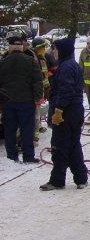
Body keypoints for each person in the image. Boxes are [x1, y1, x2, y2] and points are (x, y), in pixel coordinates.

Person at [40, 38, 88, 191]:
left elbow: (66, 90)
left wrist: (59, 109)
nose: (52, 52)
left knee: (60, 147)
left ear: (62, 50)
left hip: (66, 112)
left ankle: (57, 181)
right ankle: (81, 179)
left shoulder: (66, 67)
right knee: (73, 145)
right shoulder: (71, 65)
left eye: (54, 49)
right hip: (75, 111)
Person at [0, 31, 43, 163]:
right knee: (26, 129)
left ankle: (12, 156)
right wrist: (37, 97)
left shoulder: (3, 62)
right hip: (26, 101)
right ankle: (28, 156)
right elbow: (37, 81)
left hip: (8, 102)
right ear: (22, 47)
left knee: (10, 130)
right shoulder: (30, 61)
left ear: (11, 47)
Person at [32, 37, 51, 140]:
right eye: (42, 47)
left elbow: (44, 76)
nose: (44, 49)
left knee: (37, 113)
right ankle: (35, 135)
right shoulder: (34, 59)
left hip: (41, 91)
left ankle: (38, 127)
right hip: (36, 92)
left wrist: (47, 88)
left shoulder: (42, 58)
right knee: (35, 114)